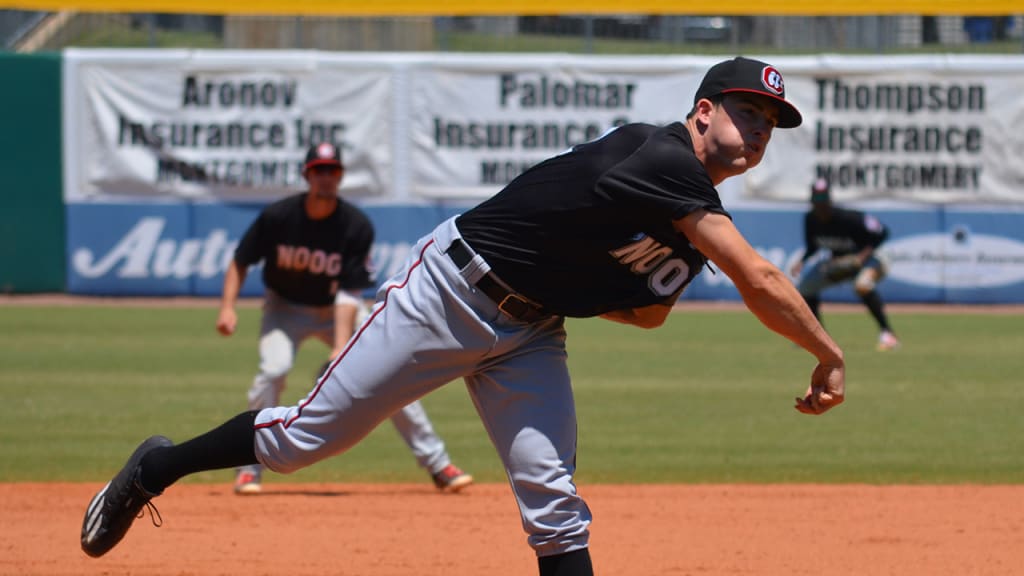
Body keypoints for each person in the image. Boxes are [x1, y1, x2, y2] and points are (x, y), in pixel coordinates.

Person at [81, 57, 846, 575]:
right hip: (448, 293)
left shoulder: (686, 219)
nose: (758, 130)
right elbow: (758, 276)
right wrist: (827, 353)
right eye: (747, 111)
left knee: (554, 504)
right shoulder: (663, 156)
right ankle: (155, 469)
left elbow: (647, 316)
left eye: (769, 122)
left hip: (531, 332)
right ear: (704, 111)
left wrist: (571, 284)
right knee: (305, 440)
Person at [215, 141, 473, 494]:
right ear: (307, 175)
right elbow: (241, 260)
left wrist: (339, 347)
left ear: (340, 176)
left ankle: (438, 464)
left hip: (337, 309)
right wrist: (227, 307)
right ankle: (249, 468)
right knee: (272, 372)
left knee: (390, 371)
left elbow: (349, 294)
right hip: (285, 308)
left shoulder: (354, 225)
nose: (326, 177)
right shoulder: (279, 217)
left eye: (332, 170)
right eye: (319, 170)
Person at [789, 177, 901, 351]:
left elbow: (883, 232)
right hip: (840, 263)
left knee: (862, 285)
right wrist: (802, 261)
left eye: (823, 199)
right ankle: (817, 336)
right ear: (812, 201)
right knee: (806, 288)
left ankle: (888, 334)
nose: (820, 204)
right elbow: (813, 246)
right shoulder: (810, 219)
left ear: (830, 199)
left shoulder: (850, 218)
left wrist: (862, 257)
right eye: (817, 199)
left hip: (872, 259)